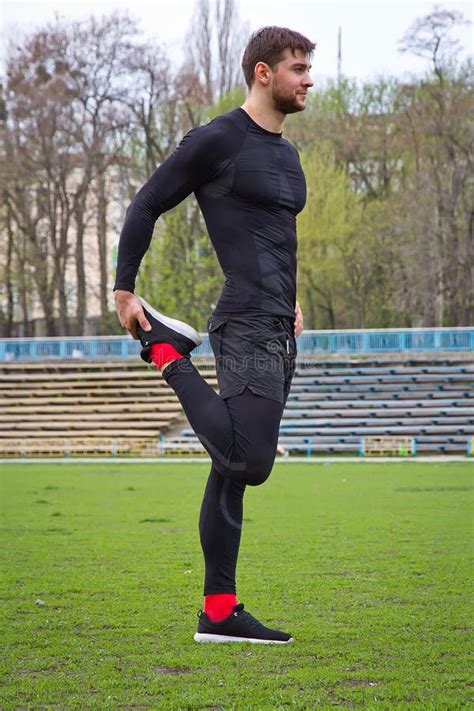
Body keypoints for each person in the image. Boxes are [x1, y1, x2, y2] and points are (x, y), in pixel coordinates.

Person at [114, 26, 315, 644]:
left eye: (309, 68)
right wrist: (125, 288)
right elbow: (145, 204)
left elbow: (275, 237)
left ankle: (220, 613)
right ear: (262, 72)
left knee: (228, 473)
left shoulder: (287, 152)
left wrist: (293, 299)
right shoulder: (218, 139)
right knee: (247, 460)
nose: (309, 79)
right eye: (297, 68)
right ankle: (167, 351)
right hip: (245, 321)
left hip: (277, 322)